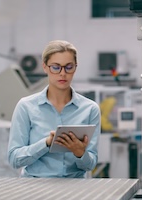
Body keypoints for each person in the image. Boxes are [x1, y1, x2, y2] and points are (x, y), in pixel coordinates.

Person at [8, 40, 101, 178]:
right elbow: (14, 159)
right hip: (35, 187)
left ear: (75, 67)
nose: (63, 73)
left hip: (75, 189)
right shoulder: (26, 106)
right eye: (56, 67)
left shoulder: (90, 109)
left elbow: (90, 165)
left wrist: (79, 152)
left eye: (68, 67)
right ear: (45, 67)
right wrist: (46, 144)